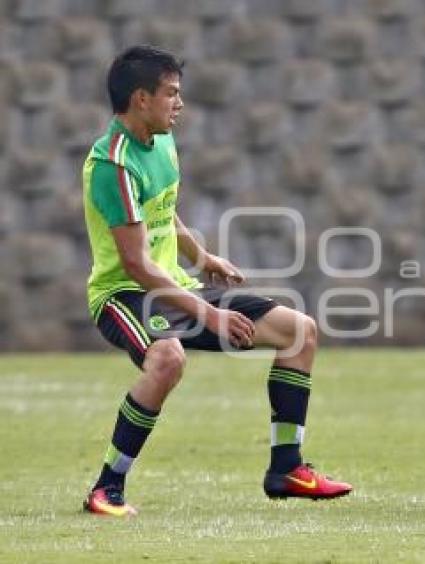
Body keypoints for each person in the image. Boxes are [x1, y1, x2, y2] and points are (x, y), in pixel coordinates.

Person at [81, 45, 352, 516]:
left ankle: (286, 469)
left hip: (173, 287)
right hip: (124, 294)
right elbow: (136, 265)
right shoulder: (113, 165)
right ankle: (107, 487)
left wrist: (201, 254)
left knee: (299, 331)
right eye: (171, 93)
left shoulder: (161, 141)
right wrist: (208, 312)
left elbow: (161, 211)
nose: (179, 104)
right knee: (167, 359)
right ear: (141, 98)